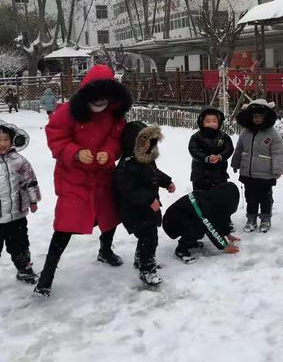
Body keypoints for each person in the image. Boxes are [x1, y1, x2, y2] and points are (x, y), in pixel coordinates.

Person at [34, 64, 133, 297]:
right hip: (73, 177)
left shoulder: (115, 112)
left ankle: (105, 250)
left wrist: (108, 153)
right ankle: (47, 275)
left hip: (102, 174)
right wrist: (75, 152)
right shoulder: (67, 112)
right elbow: (56, 138)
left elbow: (115, 139)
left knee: (109, 216)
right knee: (65, 224)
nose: (100, 104)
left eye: (104, 99)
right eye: (95, 99)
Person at [113, 121, 175, 286]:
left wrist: (167, 181)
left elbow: (154, 173)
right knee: (149, 238)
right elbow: (127, 190)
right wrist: (148, 199)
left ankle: (140, 259)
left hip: (148, 208)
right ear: (133, 142)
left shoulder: (146, 159)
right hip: (134, 210)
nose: (148, 144)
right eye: (144, 141)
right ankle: (147, 269)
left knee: (147, 236)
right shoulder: (126, 165)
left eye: (150, 140)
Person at [231, 99, 283, 233]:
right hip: (248, 174)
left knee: (265, 197)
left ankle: (265, 219)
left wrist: (277, 169)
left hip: (265, 174)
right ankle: (251, 218)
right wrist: (236, 163)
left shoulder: (272, 134)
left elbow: (278, 152)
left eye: (260, 116)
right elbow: (239, 149)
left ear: (266, 117)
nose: (257, 119)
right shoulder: (245, 133)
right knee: (251, 197)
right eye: (254, 116)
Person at [0, 121, 41, 284]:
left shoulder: (19, 161)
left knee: (20, 244)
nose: (2, 143)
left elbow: (30, 181)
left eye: (5, 139)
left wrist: (33, 200)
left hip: (17, 214)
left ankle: (24, 268)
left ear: (12, 141)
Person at [163, 182, 240, 263]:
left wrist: (228, 234)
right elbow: (211, 228)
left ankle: (191, 243)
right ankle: (181, 251)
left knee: (199, 222)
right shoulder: (205, 205)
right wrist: (224, 246)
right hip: (171, 224)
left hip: (178, 219)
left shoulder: (211, 199)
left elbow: (220, 218)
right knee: (199, 225)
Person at [188, 106, 234, 191]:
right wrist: (206, 158)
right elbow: (193, 150)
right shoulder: (196, 137)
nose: (211, 124)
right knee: (201, 199)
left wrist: (220, 156)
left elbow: (229, 149)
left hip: (219, 174)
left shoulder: (223, 136)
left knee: (218, 197)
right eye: (208, 121)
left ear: (219, 122)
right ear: (202, 122)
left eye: (214, 121)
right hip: (200, 175)